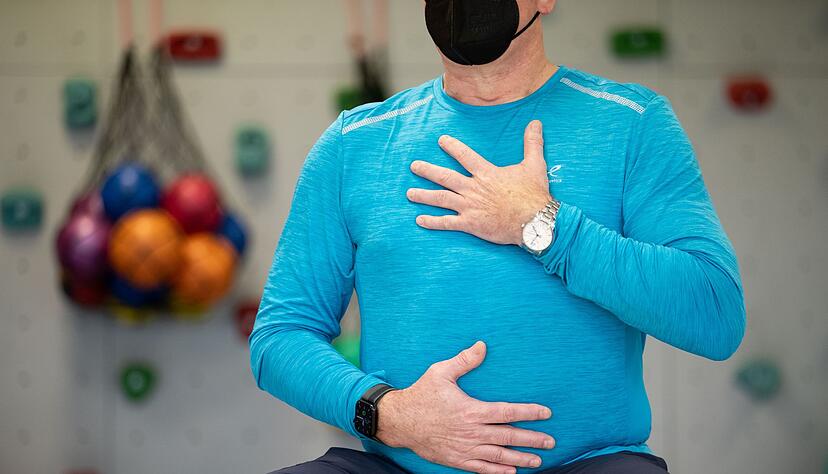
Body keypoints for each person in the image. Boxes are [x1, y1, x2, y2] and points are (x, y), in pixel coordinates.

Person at [250, 0, 746, 473]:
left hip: (589, 464)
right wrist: (390, 414)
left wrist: (541, 224)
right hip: (396, 463)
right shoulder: (352, 146)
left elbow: (715, 313)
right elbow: (280, 337)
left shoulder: (631, 124)